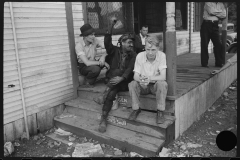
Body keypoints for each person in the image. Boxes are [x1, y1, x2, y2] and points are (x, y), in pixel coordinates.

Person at [93, 20, 137, 133]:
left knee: (118, 72)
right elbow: (107, 42)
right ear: (122, 43)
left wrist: (121, 78)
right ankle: (103, 119)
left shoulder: (133, 55)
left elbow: (129, 69)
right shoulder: (114, 51)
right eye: (128, 42)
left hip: (124, 82)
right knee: (111, 94)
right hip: (113, 83)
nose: (131, 44)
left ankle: (103, 94)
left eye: (132, 42)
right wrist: (111, 27)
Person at [128, 35, 168, 124]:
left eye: (153, 50)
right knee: (132, 84)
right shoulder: (139, 56)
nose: (150, 53)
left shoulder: (162, 56)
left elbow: (163, 76)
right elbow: (136, 76)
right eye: (148, 49)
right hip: (143, 86)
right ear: (145, 48)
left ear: (158, 48)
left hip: (155, 86)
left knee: (162, 84)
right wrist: (141, 80)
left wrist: (149, 78)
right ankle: (136, 109)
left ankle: (160, 111)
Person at [75, 23, 109, 88]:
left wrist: (103, 56)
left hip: (94, 62)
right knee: (96, 69)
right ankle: (87, 82)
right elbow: (87, 63)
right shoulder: (79, 46)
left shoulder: (94, 40)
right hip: (84, 67)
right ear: (85, 36)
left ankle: (110, 77)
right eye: (91, 34)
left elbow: (109, 48)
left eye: (94, 34)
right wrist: (102, 63)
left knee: (109, 56)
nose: (93, 36)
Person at [200, 2, 227, 68]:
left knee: (218, 44)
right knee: (205, 44)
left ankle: (218, 63)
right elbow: (211, 12)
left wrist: (216, 13)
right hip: (206, 24)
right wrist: (219, 13)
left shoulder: (221, 4)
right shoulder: (208, 3)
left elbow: (224, 14)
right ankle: (204, 63)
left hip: (215, 25)